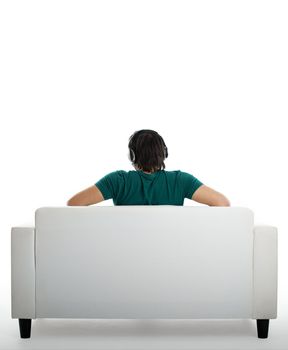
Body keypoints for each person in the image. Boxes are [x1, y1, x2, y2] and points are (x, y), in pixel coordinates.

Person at [67, 129, 230, 207]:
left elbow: (74, 204)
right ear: (164, 154)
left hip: (124, 257)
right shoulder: (181, 181)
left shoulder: (117, 181)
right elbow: (222, 203)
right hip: (171, 257)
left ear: (132, 155)